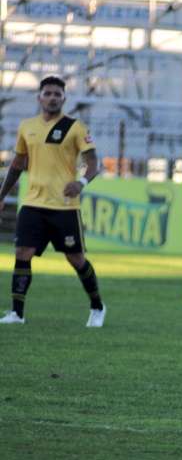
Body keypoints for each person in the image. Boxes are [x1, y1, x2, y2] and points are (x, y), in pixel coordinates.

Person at [0, 76, 104, 326]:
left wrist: (81, 183)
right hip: (33, 204)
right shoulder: (27, 126)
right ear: (40, 97)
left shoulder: (75, 127)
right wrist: (1, 195)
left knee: (76, 259)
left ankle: (97, 307)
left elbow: (93, 164)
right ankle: (17, 313)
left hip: (64, 207)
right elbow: (17, 164)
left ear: (64, 98)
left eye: (57, 94)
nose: (52, 98)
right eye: (48, 93)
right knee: (22, 253)